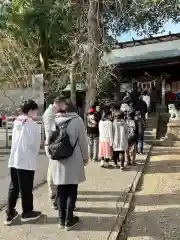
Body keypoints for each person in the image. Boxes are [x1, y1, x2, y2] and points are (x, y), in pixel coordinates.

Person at [50, 97, 89, 231]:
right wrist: (86, 157)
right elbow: (83, 141)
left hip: (58, 160)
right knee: (72, 189)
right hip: (74, 159)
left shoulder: (53, 120)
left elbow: (49, 141)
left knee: (61, 190)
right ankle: (69, 219)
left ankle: (61, 219)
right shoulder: (77, 120)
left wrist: (51, 156)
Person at [5, 100, 41, 226]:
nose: (36, 113)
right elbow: (34, 144)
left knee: (13, 187)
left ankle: (10, 213)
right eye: (35, 110)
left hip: (14, 160)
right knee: (26, 188)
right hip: (26, 161)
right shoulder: (32, 124)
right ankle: (27, 212)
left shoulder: (16, 122)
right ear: (31, 111)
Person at [43, 97, 63, 209]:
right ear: (58, 105)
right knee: (52, 169)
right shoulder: (50, 114)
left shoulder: (52, 112)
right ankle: (53, 194)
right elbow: (51, 132)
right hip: (52, 144)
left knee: (53, 168)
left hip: (52, 144)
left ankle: (54, 193)